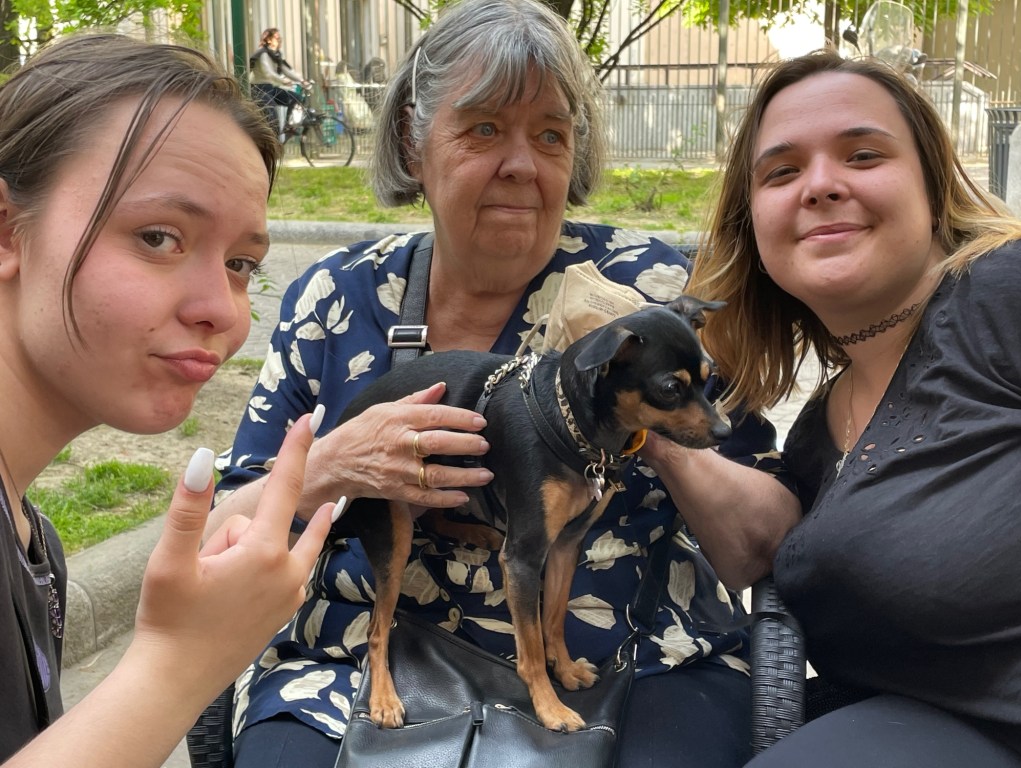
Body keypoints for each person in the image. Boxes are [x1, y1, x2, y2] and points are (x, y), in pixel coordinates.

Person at [208, 0, 797, 765]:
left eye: (550, 134)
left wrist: (622, 416)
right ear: (413, 142)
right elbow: (219, 538)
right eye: (484, 128)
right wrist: (330, 466)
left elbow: (763, 543)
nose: (522, 162)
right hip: (355, 664)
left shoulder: (650, 292)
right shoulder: (335, 299)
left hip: (640, 665)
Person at [0, 33, 340, 767]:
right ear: (6, 230)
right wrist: (180, 663)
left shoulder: (30, 537)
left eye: (242, 263)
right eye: (158, 237)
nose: (221, 309)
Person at [685, 49, 1021, 765]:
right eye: (782, 172)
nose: (820, 186)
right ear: (753, 228)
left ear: (933, 185)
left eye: (863, 155)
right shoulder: (818, 434)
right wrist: (642, 426)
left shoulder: (1002, 293)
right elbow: (754, 551)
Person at [249, 28, 310, 138]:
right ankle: (273, 140)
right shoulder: (263, 54)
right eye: (276, 38)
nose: (279, 40)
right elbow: (268, 73)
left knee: (296, 98)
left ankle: (289, 127)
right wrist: (283, 81)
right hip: (259, 89)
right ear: (268, 40)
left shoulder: (276, 55)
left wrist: (301, 80)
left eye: (279, 38)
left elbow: (287, 70)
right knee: (272, 117)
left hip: (270, 88)